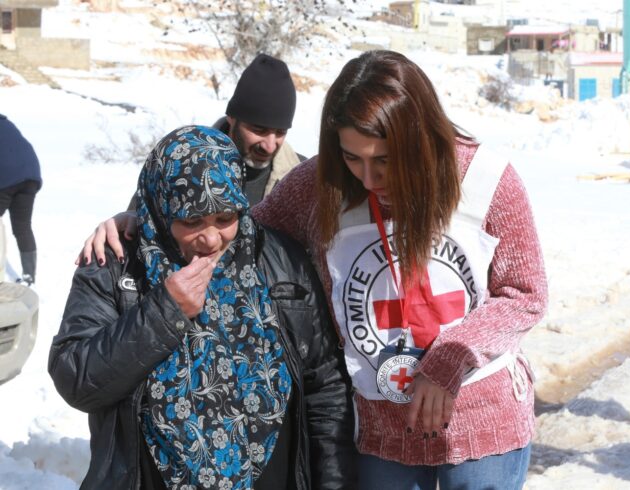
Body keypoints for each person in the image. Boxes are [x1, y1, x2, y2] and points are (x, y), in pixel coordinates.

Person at [78, 50, 547, 489]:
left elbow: (525, 293)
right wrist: (143, 220)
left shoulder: (485, 180)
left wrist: (449, 359)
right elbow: (235, 230)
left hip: (482, 424)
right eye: (351, 157)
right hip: (381, 433)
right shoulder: (320, 188)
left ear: (418, 138)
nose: (368, 178)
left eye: (384, 160)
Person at [50, 126, 355, 490]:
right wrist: (164, 312)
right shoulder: (116, 265)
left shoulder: (277, 260)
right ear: (162, 211)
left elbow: (326, 388)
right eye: (192, 221)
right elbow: (76, 378)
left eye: (225, 218)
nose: (211, 239)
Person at [78, 53, 305, 267]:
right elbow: (140, 224)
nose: (269, 144)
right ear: (232, 118)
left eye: (280, 132)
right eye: (259, 130)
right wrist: (120, 225)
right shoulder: (182, 163)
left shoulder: (301, 179)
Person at [0, 114, 41, 285]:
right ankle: (29, 275)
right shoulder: (7, 123)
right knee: (23, 227)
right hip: (31, 175)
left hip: (8, 175)